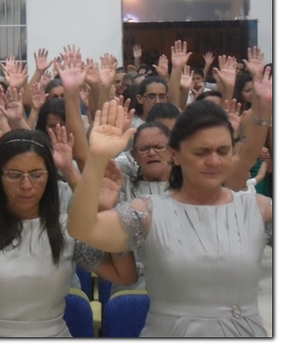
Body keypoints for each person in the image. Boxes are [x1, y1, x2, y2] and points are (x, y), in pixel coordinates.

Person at [68, 70, 273, 337]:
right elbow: (81, 228)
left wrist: (262, 116)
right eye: (201, 152)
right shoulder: (149, 211)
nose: (214, 161)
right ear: (175, 155)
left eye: (223, 151)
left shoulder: (256, 208)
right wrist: (97, 157)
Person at [0, 129, 137, 337]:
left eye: (36, 175)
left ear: (49, 177)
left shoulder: (67, 229)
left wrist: (107, 211)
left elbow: (124, 276)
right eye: (14, 175)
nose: (26, 185)